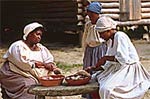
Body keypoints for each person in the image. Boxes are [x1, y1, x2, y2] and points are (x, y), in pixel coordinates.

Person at [85, 16, 150, 99]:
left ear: (109, 30)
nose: (100, 36)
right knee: (95, 78)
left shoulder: (120, 36)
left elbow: (124, 59)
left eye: (101, 33)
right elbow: (111, 62)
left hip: (129, 69)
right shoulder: (110, 41)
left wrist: (105, 58)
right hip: (118, 68)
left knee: (106, 89)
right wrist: (95, 68)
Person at [0, 22, 61, 99]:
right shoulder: (18, 46)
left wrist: (51, 65)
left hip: (33, 73)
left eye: (40, 35)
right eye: (37, 34)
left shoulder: (41, 48)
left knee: (52, 83)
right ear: (29, 34)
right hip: (16, 72)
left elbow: (48, 59)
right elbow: (23, 64)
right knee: (29, 85)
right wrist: (41, 64)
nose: (39, 37)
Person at [81, 1, 107, 99]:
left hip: (100, 49)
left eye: (92, 15)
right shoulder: (88, 25)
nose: (90, 17)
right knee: (88, 71)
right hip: (89, 50)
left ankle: (99, 94)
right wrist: (85, 50)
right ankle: (89, 95)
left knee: (98, 70)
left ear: (97, 14)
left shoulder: (102, 23)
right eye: (89, 15)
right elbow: (85, 37)